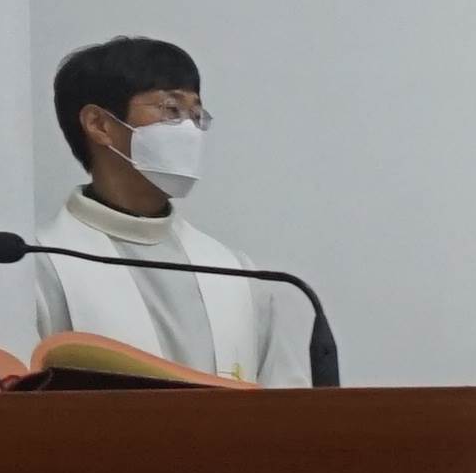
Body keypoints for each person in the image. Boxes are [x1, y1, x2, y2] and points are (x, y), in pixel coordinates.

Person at [26, 36, 306, 384]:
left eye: (196, 115)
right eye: (171, 109)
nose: (189, 129)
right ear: (99, 124)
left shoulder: (236, 273)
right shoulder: (42, 268)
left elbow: (287, 405)